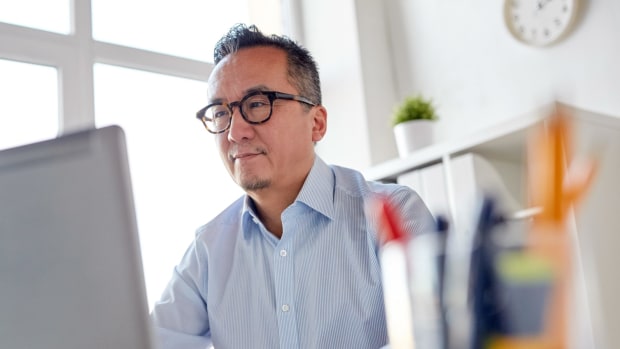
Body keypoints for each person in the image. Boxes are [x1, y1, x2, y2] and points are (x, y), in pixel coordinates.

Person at [150, 23, 434, 349]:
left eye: (257, 104)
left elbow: (432, 337)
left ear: (317, 123)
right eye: (220, 112)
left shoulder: (392, 213)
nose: (234, 132)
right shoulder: (208, 250)